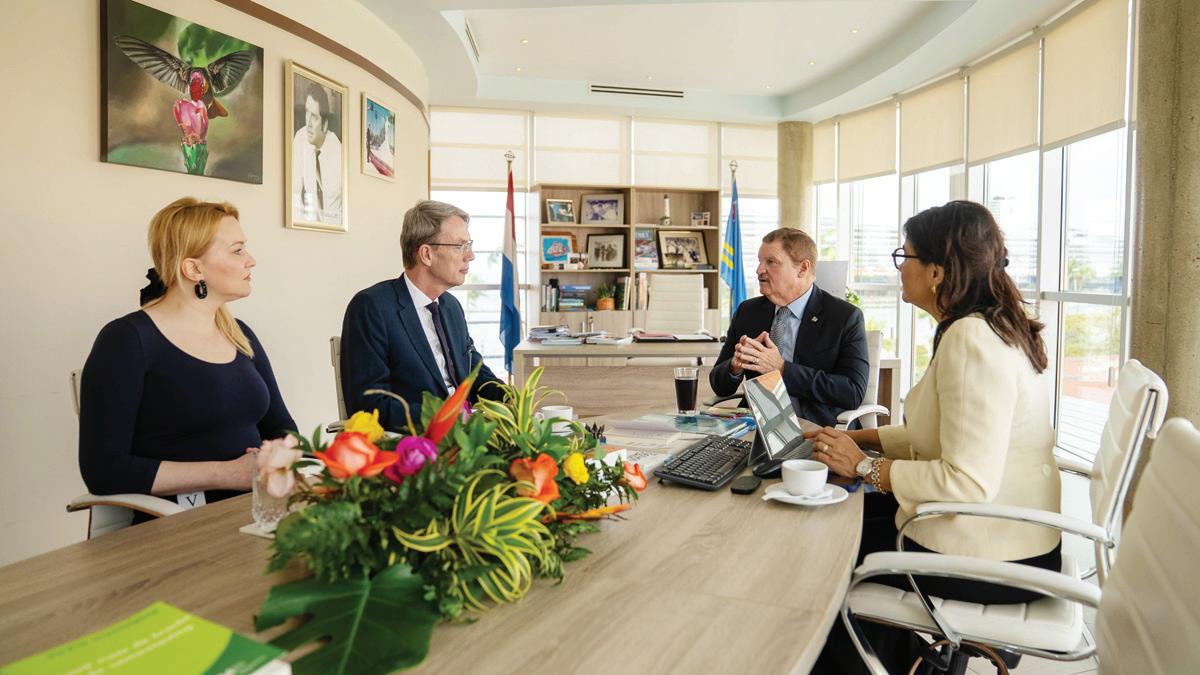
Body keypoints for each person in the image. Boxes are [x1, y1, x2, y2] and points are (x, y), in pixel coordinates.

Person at [808, 201, 1062, 673]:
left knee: (824, 550)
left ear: (937, 272)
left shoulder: (971, 339)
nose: (900, 269)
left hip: (995, 558)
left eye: (904, 257)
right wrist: (861, 440)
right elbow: (944, 434)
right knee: (842, 515)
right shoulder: (989, 327)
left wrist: (863, 467)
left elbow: (966, 481)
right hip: (1009, 538)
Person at [79, 198, 296, 513]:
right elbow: (104, 470)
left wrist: (282, 458)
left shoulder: (240, 334)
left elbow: (282, 428)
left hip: (257, 508)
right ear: (194, 268)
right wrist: (226, 474)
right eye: (237, 251)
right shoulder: (126, 341)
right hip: (178, 522)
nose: (251, 261)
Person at [340, 200, 503, 431]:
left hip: (464, 435)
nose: (471, 255)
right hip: (414, 440)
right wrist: (447, 416)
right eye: (460, 246)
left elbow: (475, 374)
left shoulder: (451, 307)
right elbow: (368, 406)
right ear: (426, 254)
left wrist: (511, 401)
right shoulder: (371, 308)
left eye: (469, 245)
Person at [709, 228, 868, 428]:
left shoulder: (845, 317)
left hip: (815, 428)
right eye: (759, 261)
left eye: (771, 262)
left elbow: (852, 393)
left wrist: (782, 368)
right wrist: (735, 366)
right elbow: (719, 386)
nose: (759, 270)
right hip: (755, 425)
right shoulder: (747, 312)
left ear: (802, 269)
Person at [291, 82, 342, 224]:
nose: (307, 123)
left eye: (314, 117)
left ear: (325, 124)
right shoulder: (300, 138)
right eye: (307, 112)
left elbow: (339, 209)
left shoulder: (338, 153)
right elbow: (294, 193)